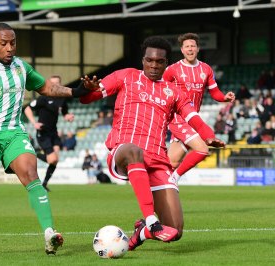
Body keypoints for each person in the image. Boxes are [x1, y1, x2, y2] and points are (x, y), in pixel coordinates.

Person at [0, 23, 94, 256]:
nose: (9, 48)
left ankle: (49, 233)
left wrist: (76, 92)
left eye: (13, 43)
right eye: (3, 43)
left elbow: (46, 88)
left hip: (14, 133)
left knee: (31, 173)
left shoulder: (21, 67)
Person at [79, 36, 225, 250]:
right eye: (149, 60)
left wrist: (208, 135)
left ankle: (144, 231)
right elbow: (87, 98)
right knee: (133, 150)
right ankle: (151, 221)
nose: (154, 65)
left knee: (175, 230)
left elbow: (192, 116)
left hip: (157, 160)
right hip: (124, 152)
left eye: (159, 62)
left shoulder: (174, 92)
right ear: (143, 60)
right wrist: (86, 90)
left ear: (166, 63)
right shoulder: (126, 76)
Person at [162, 33, 235, 182]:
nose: (190, 49)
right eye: (187, 46)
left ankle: (159, 183)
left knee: (172, 163)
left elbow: (214, 91)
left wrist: (224, 98)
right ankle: (173, 180)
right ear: (182, 50)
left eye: (192, 46)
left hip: (193, 120)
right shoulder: (172, 69)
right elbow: (160, 89)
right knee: (202, 149)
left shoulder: (206, 69)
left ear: (198, 49)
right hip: (177, 118)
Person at [24, 75, 75, 192]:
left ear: (60, 84)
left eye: (56, 83)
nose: (54, 85)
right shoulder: (43, 98)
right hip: (43, 132)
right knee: (52, 160)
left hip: (54, 132)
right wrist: (34, 123)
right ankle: (35, 152)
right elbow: (27, 109)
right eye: (52, 83)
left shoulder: (62, 98)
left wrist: (68, 116)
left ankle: (44, 183)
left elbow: (65, 112)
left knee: (55, 160)